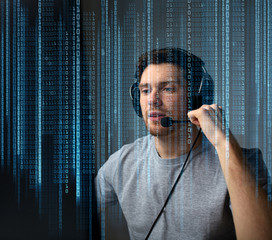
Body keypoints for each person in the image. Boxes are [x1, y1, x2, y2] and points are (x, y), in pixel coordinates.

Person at [95, 48, 272, 240]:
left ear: (198, 97)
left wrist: (223, 141)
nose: (153, 101)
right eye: (145, 90)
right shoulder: (122, 162)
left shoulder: (243, 162)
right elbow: (72, 214)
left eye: (168, 88)